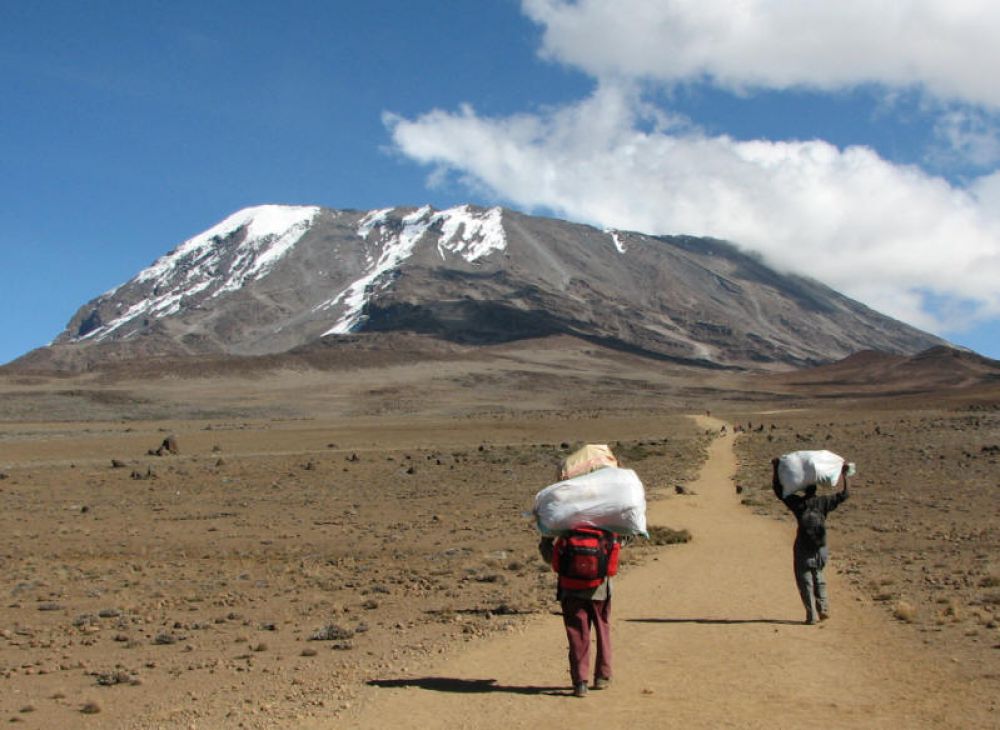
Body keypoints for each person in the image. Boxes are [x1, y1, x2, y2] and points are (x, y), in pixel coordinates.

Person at [539, 531, 625, 697]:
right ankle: (602, 676)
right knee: (602, 630)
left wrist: (545, 542)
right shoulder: (606, 521)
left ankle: (580, 683)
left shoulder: (564, 524)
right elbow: (621, 542)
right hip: (600, 588)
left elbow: (550, 557)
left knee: (577, 634)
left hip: (570, 588)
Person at [772, 459, 850, 624]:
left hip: (802, 547)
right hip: (820, 546)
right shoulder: (824, 503)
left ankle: (811, 615)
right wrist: (845, 475)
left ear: (804, 490)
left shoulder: (799, 504)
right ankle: (823, 608)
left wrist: (775, 468)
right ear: (816, 489)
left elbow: (778, 492)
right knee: (818, 575)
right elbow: (845, 494)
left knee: (804, 580)